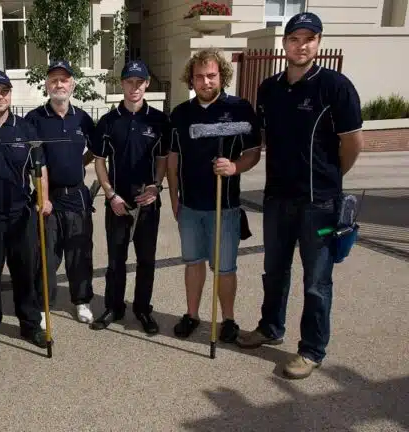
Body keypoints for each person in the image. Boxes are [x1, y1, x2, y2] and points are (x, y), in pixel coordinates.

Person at [235, 12, 364, 380]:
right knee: (274, 271)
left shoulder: (335, 86)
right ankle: (270, 327)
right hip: (277, 199)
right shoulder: (269, 89)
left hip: (319, 203)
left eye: (309, 38)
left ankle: (311, 349)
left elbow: (353, 143)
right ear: (285, 43)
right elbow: (260, 140)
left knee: (316, 281)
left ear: (318, 43)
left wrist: (331, 178)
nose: (301, 45)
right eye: (295, 38)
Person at [166, 48, 262, 343]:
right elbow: (173, 159)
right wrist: (174, 199)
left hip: (225, 205)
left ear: (222, 75)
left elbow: (253, 152)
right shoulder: (181, 114)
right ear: (191, 80)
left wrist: (234, 167)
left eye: (211, 76)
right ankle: (192, 315)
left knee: (224, 268)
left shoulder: (240, 109)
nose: (205, 82)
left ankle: (228, 319)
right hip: (190, 206)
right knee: (193, 262)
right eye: (199, 77)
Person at [88, 60, 170, 334]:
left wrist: (156, 186)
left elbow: (163, 159)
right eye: (129, 82)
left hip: (148, 202)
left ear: (147, 83)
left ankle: (143, 309)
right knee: (116, 260)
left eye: (139, 82)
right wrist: (110, 194)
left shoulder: (159, 120)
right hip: (118, 202)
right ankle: (114, 307)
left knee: (146, 260)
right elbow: (99, 162)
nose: (134, 87)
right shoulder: (109, 121)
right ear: (122, 84)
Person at [0, 69, 49, 359]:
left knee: (25, 273)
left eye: (4, 91)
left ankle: (30, 325)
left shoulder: (25, 129)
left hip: (21, 215)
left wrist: (44, 198)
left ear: (10, 95)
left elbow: (39, 168)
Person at [24, 60, 97, 326]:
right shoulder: (34, 119)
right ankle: (44, 305)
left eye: (64, 80)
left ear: (72, 85)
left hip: (77, 197)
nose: (59, 84)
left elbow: (96, 149)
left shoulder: (82, 118)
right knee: (47, 255)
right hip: (49, 198)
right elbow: (33, 161)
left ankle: (82, 301)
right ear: (46, 85)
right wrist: (42, 197)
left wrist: (80, 164)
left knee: (79, 253)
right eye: (54, 80)